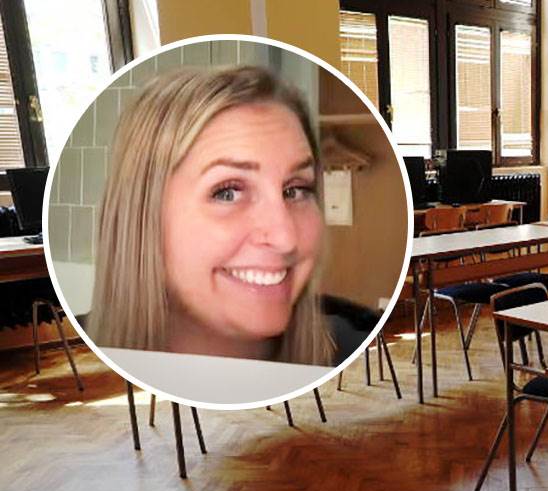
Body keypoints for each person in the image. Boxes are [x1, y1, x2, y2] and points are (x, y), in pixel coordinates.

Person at [87, 65, 365, 365]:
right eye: (227, 193)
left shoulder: (364, 357)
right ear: (142, 217)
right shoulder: (72, 363)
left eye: (295, 190)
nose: (285, 238)